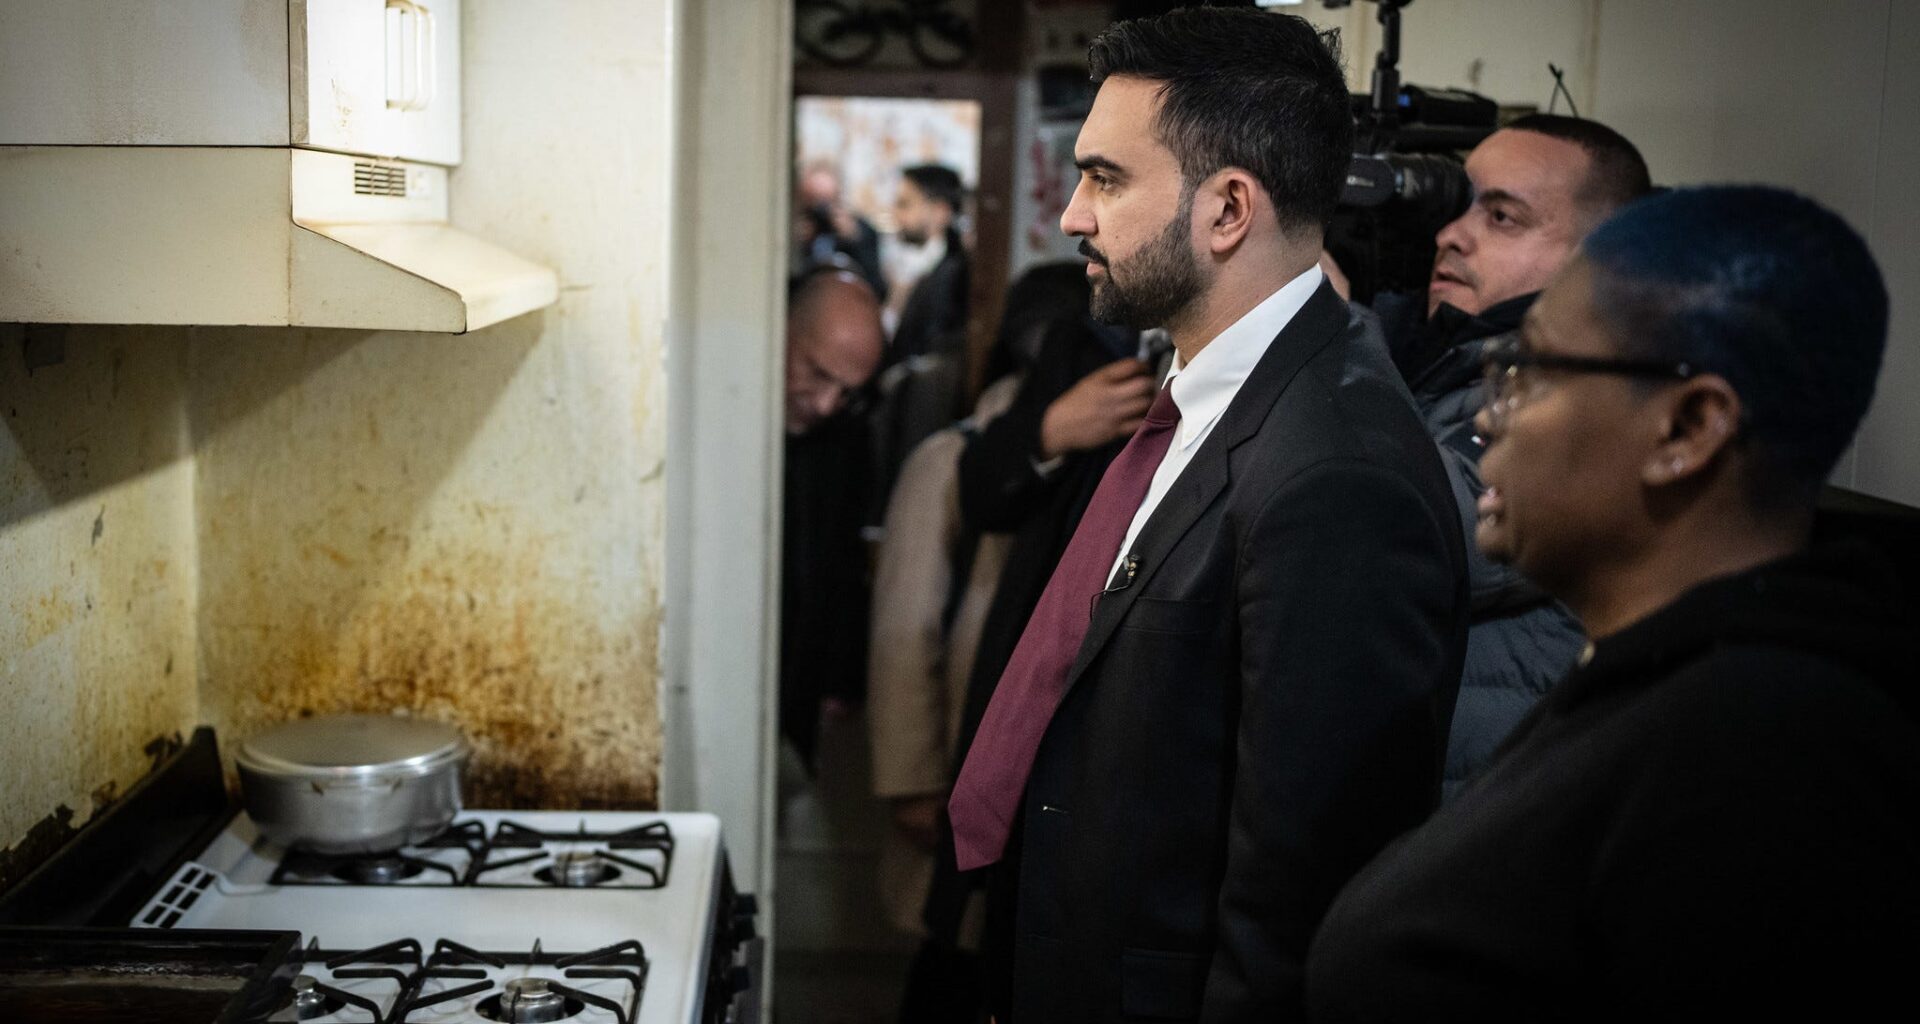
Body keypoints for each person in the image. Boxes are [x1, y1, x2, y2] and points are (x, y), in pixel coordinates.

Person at [944, 9, 1470, 1020]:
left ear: (1228, 208)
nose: (1073, 218)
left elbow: (1301, 897)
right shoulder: (1212, 392)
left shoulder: (1337, 469)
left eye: (1107, 179)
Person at [1306, 186, 1920, 1019]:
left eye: (1533, 372)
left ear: (1687, 429)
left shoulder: (1758, 760)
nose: (1492, 412)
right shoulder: (1646, 683)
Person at [1334, 115, 1655, 798]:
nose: (1452, 235)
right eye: (1456, 210)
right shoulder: (1424, 352)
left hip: (1468, 822)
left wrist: (1327, 335)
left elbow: (1392, 528)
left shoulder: (1595, 399)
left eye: (1503, 217)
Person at [866, 263, 1095, 1024]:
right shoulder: (955, 459)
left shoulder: (1109, 459)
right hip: (956, 763)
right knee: (954, 962)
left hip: (1029, 784)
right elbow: (906, 628)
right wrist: (914, 780)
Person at [780, 269, 886, 769]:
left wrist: (841, 674)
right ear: (780, 330)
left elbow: (840, 560)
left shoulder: (848, 434)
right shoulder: (714, 414)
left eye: (845, 391)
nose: (825, 405)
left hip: (793, 699)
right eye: (817, 374)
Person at [872, 164, 973, 518]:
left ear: (941, 212)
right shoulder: (931, 270)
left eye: (906, 204)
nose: (898, 215)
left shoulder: (954, 274)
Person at [794, 160, 887, 298]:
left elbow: (879, 290)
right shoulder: (794, 232)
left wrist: (855, 241)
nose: (821, 212)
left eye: (827, 202)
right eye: (813, 201)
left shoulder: (862, 233)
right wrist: (796, 245)